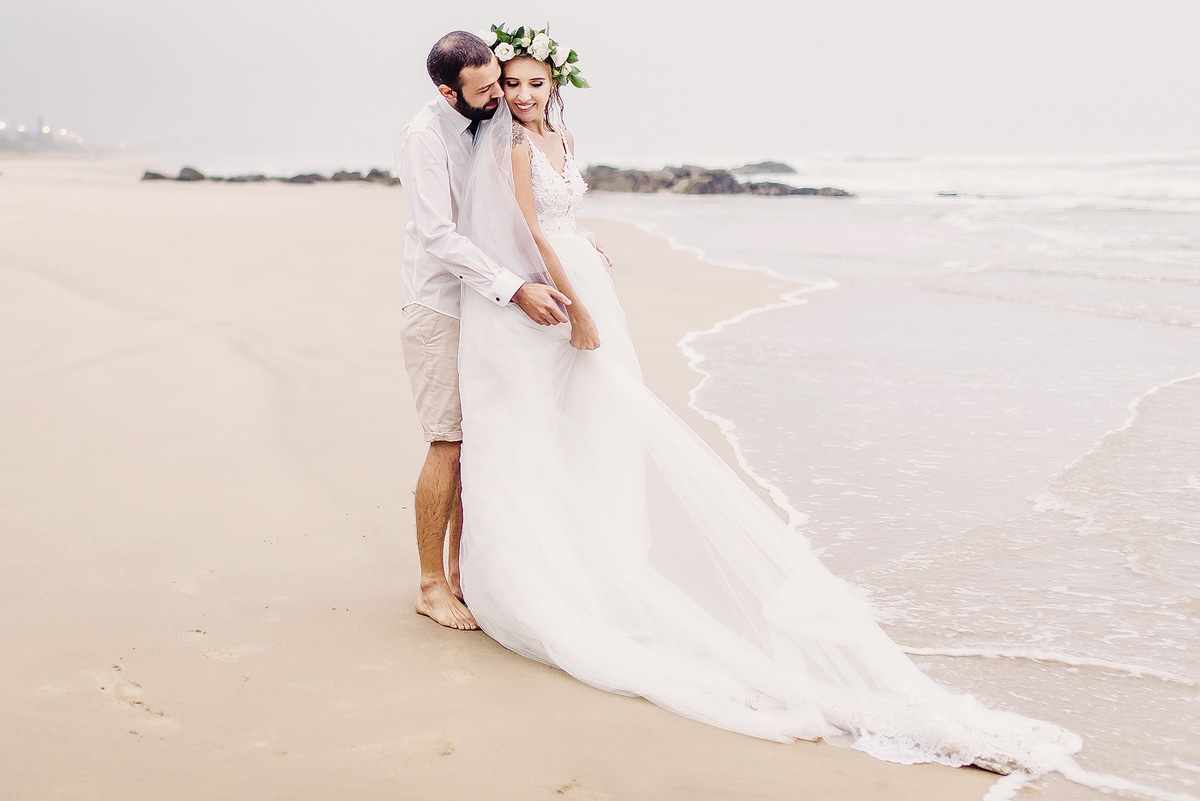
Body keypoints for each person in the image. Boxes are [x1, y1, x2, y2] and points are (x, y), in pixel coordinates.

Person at [452, 24, 1085, 776]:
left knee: (601, 423)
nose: (524, 96)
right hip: (563, 296)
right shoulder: (516, 148)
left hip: (587, 275)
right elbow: (528, 228)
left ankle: (601, 540)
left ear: (556, 84)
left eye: (535, 83)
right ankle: (557, 561)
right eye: (513, 84)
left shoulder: (563, 140)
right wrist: (576, 301)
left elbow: (564, 219)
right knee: (585, 416)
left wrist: (590, 258)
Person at [395, 31, 573, 630]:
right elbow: (438, 236)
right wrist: (516, 287)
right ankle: (429, 585)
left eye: (500, 79)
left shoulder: (491, 118)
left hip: (485, 305)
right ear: (449, 92)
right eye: (485, 89)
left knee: (484, 438)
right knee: (448, 441)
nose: (499, 94)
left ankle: (463, 572)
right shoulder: (424, 137)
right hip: (440, 306)